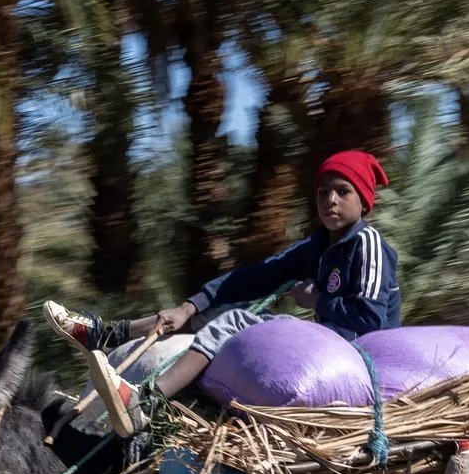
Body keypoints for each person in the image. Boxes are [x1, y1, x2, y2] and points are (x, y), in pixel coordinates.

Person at [44, 150, 400, 419]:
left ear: (363, 201)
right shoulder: (320, 245)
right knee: (220, 309)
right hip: (330, 344)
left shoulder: (366, 244)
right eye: (323, 192)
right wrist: (192, 304)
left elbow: (370, 319)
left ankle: (147, 403)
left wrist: (318, 300)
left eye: (342, 192)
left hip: (355, 353)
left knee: (232, 324)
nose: (330, 200)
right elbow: (257, 275)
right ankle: (110, 334)